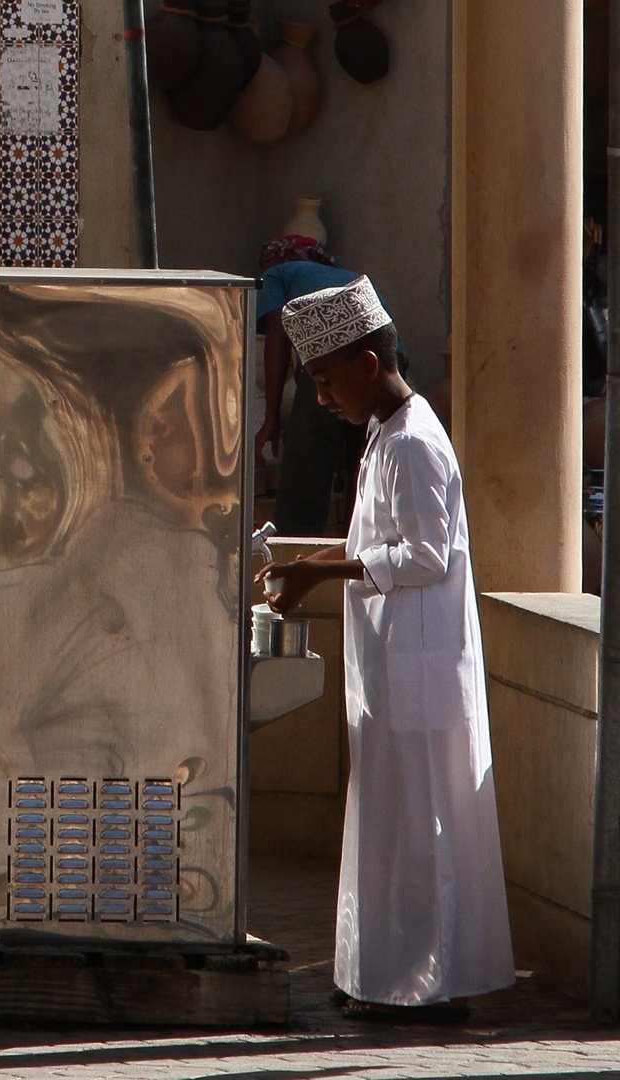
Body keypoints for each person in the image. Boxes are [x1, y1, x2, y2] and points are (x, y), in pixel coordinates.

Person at [256, 276, 515, 1021]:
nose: (324, 400)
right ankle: (386, 976)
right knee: (392, 828)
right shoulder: (383, 435)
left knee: (423, 831)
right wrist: (316, 564)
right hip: (391, 669)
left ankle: (431, 988)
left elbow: (428, 557)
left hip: (420, 673)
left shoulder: (414, 443)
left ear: (367, 365)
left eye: (327, 382)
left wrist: (319, 569)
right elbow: (379, 540)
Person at [255, 235, 406, 536]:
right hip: (392, 359)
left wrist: (271, 417)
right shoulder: (350, 276)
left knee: (306, 474)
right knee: (365, 473)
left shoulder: (276, 273)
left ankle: (292, 550)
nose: (324, 398)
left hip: (340, 358)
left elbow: (277, 338)